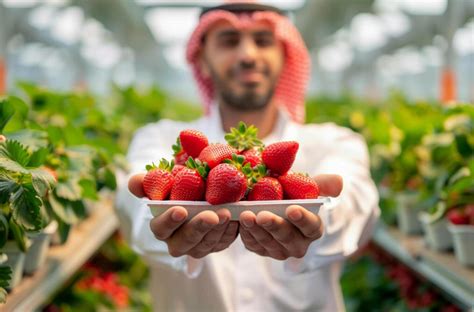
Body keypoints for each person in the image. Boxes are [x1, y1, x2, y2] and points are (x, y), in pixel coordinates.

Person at [116, 2, 380, 311]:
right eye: (229, 40)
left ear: (285, 55)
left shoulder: (334, 141)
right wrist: (156, 220)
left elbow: (358, 201)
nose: (248, 55)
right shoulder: (161, 139)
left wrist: (321, 220)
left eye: (263, 41)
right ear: (201, 60)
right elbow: (132, 200)